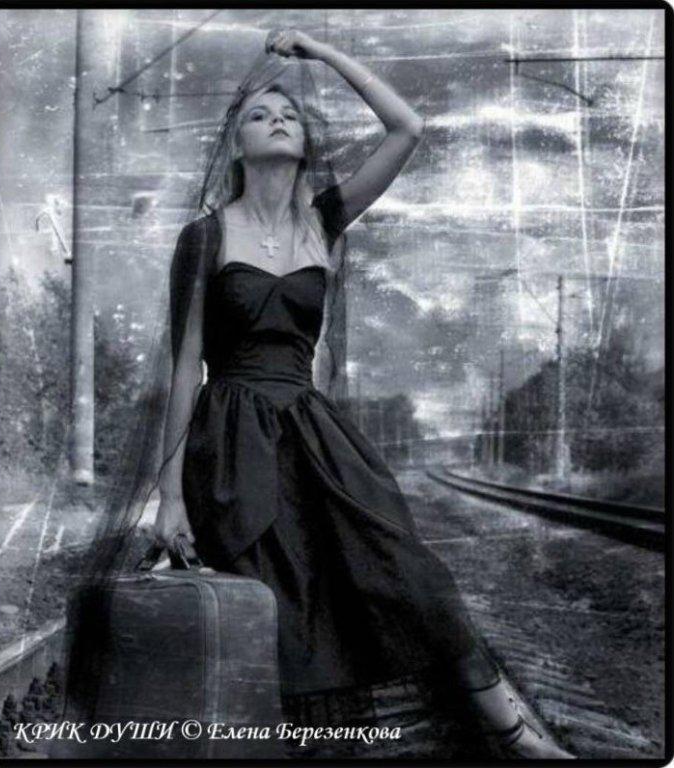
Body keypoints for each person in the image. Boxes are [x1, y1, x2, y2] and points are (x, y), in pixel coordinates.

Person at [153, 29, 574, 760]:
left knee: (406, 572)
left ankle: (514, 737)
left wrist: (320, 51)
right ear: (235, 146)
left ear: (305, 142)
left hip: (314, 432)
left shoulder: (324, 220)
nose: (278, 120)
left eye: (289, 113)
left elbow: (407, 127)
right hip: (231, 440)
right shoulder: (204, 237)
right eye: (259, 115)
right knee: (273, 613)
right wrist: (169, 499)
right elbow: (185, 366)